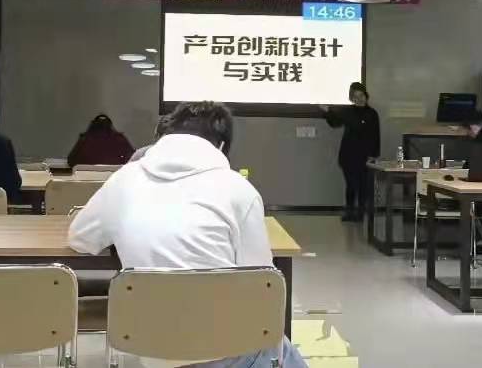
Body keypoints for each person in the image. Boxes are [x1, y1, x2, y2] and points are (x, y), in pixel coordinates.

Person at [69, 101, 308, 368]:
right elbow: (262, 284)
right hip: (229, 350)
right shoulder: (238, 189)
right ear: (221, 146)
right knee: (282, 347)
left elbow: (80, 238)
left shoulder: (124, 179)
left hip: (152, 349)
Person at [323, 82, 381, 222]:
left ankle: (360, 214)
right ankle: (349, 212)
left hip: (365, 156)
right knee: (351, 185)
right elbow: (335, 123)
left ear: (366, 95)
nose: (359, 99)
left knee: (363, 187)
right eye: (355, 96)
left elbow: (375, 136)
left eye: (361, 95)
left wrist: (373, 155)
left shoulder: (372, 114)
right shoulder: (347, 112)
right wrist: (327, 111)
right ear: (351, 98)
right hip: (348, 155)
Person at [66, 114, 135, 167]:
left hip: (85, 177)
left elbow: (71, 161)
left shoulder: (84, 139)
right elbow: (132, 160)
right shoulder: (119, 139)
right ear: (110, 125)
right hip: (114, 177)